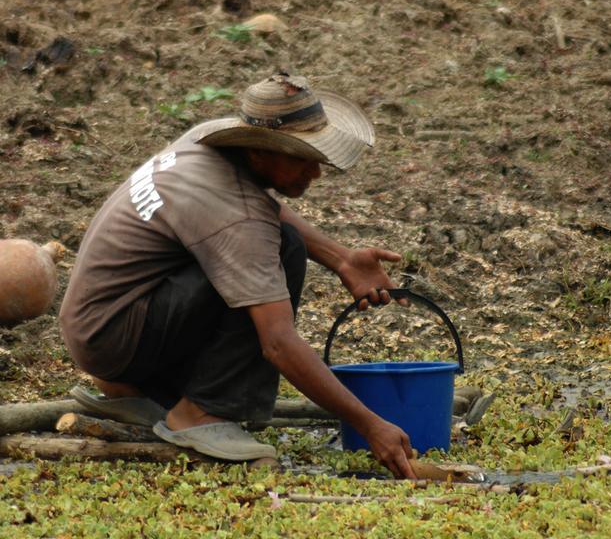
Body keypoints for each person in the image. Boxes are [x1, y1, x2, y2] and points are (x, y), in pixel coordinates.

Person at [59, 72, 418, 479]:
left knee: (273, 243)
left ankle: (139, 391)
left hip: (97, 324)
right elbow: (279, 345)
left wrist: (341, 259)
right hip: (115, 338)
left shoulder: (207, 141)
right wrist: (370, 425)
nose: (315, 173)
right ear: (260, 152)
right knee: (281, 252)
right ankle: (200, 414)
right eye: (301, 158)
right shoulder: (238, 219)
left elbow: (259, 207)